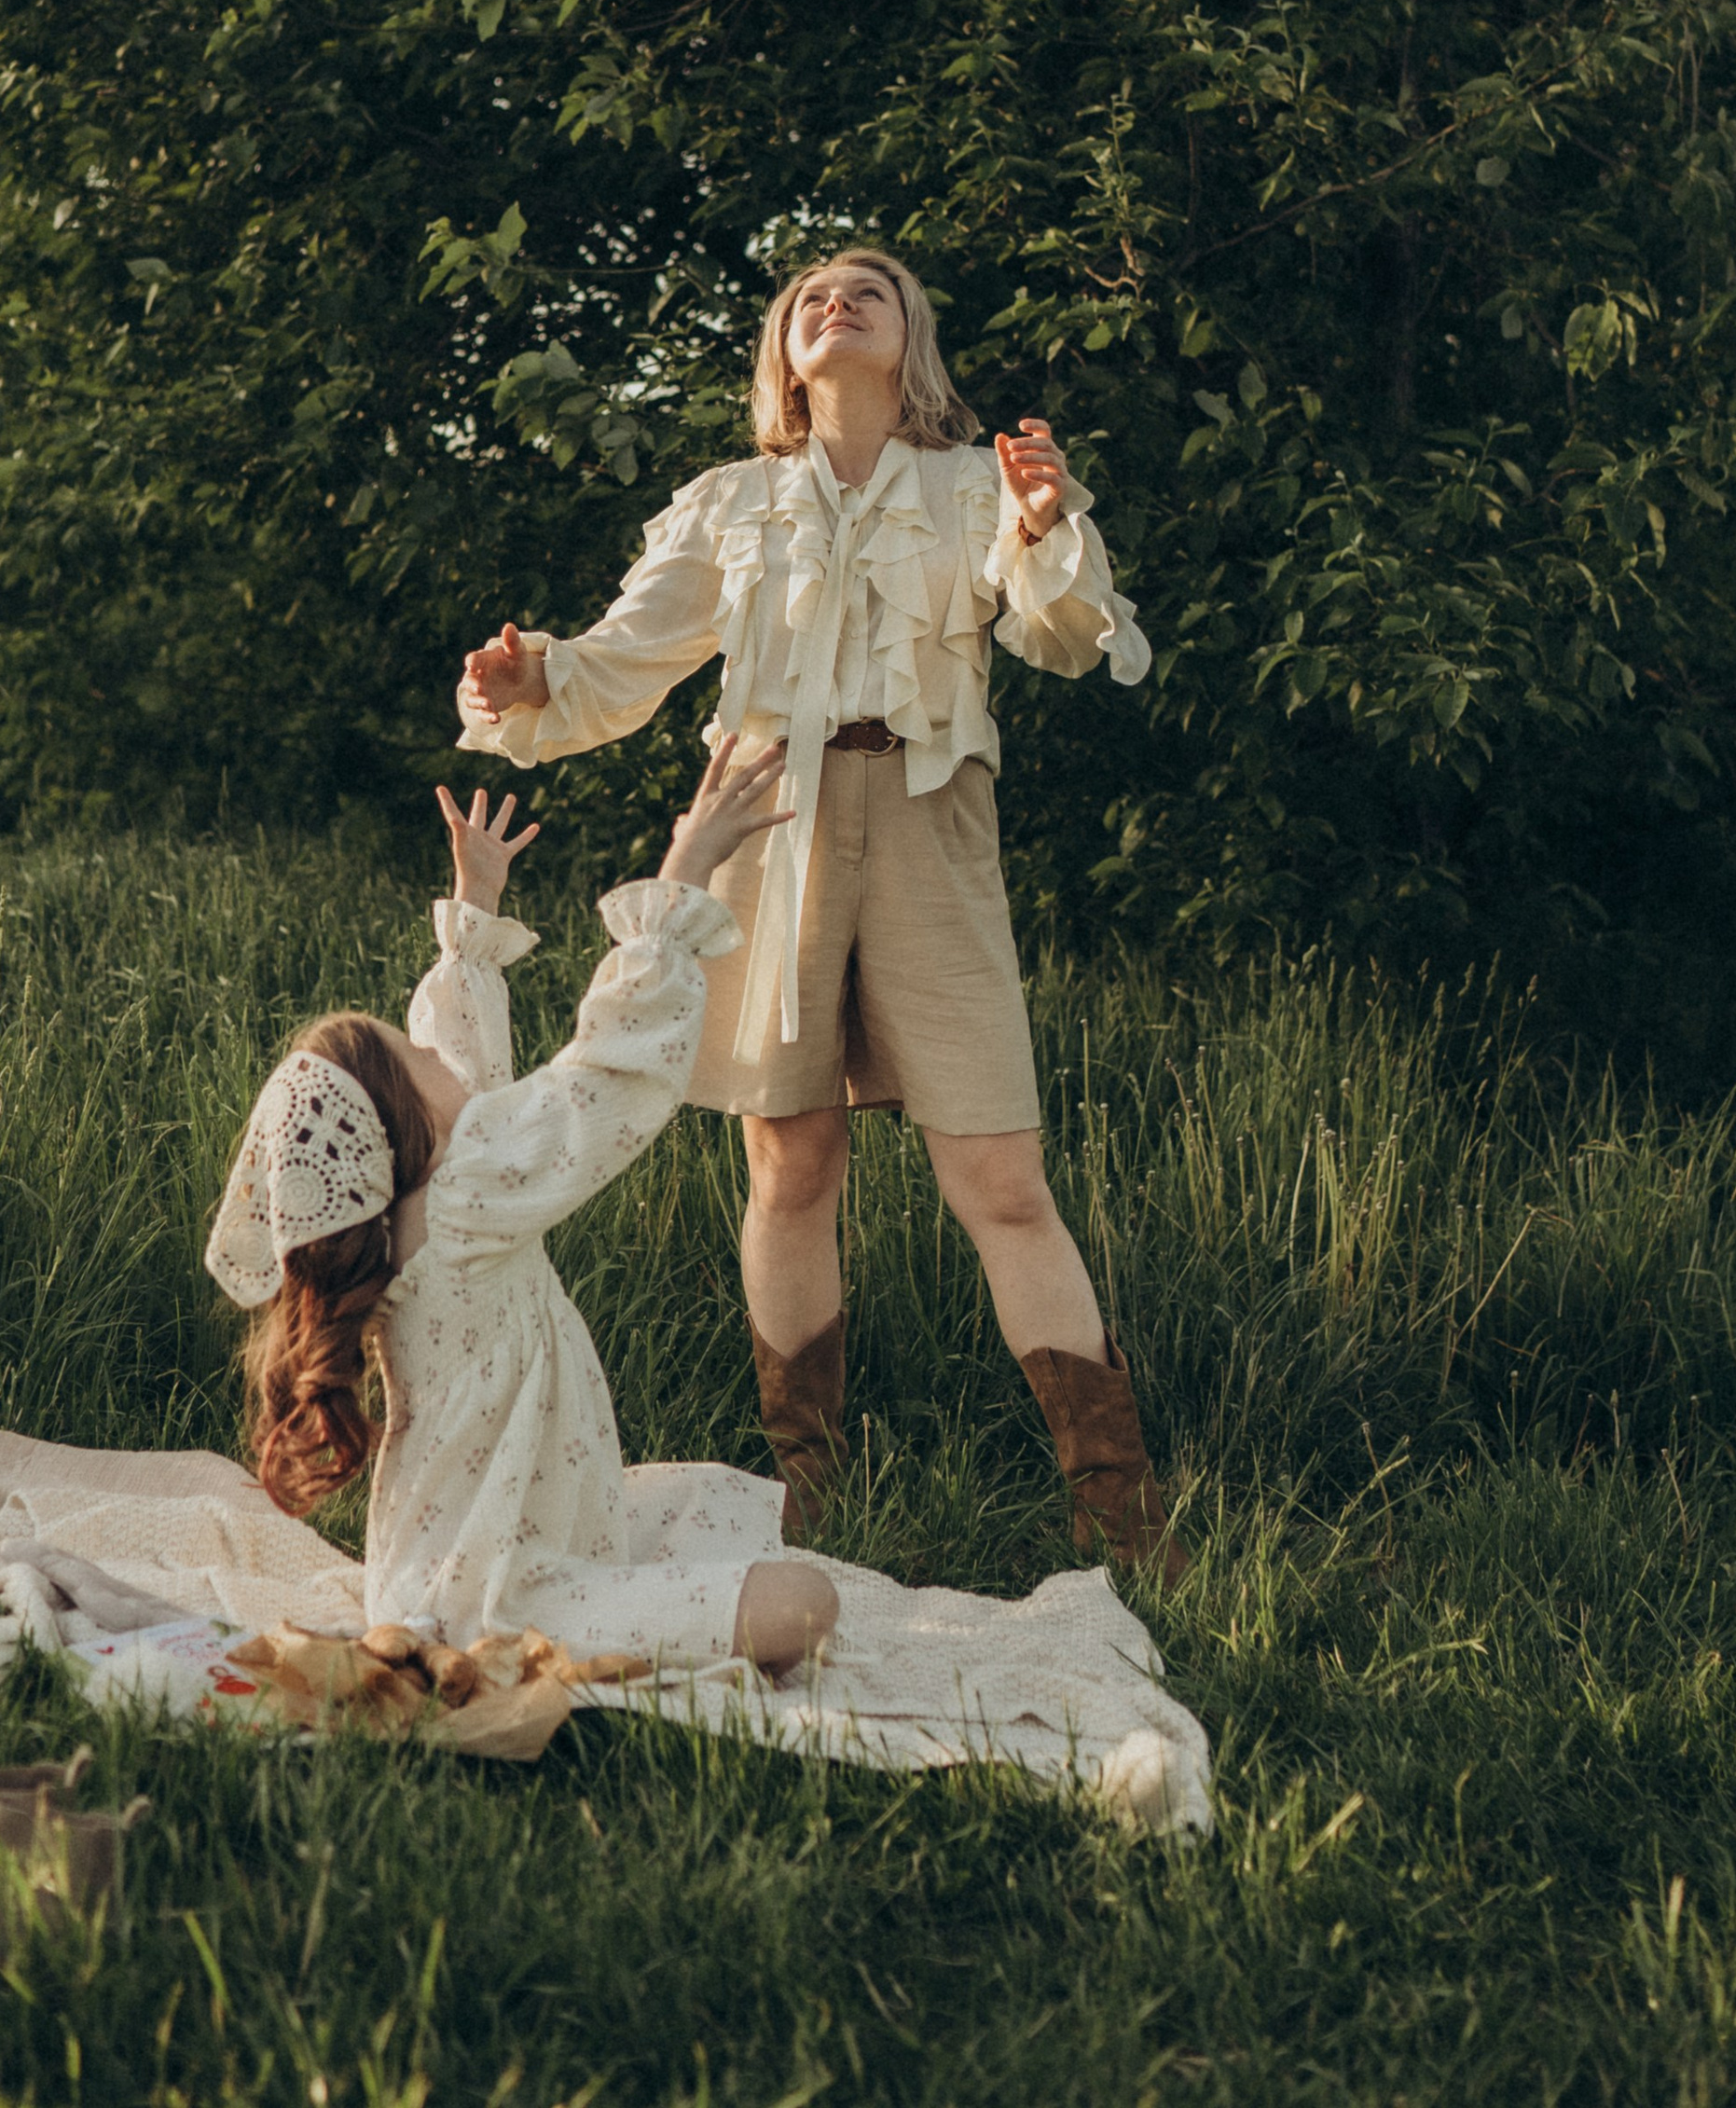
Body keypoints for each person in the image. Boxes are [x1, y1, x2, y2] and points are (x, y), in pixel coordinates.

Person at [456, 244, 1184, 1580]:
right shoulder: (734, 503)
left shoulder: (979, 486)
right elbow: (624, 664)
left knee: (1001, 1177)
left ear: (913, 341)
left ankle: (1119, 1507)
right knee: (790, 1161)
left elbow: (1069, 637)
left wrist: (1036, 528)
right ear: (784, 355)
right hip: (761, 819)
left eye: (871, 288)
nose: (835, 300)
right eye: (809, 297)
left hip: (927, 819)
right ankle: (812, 1490)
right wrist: (526, 680)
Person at [204, 741, 838, 1676]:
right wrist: (680, 877)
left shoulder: (417, 1216)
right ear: (402, 1133)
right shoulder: (465, 1202)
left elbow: (469, 1069)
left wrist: (474, 915)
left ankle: (602, 1585)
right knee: (805, 1602)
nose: (441, 1057)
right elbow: (600, 1080)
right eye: (418, 1060)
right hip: (498, 1597)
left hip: (474, 1553)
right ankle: (557, 1621)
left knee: (720, 1501)